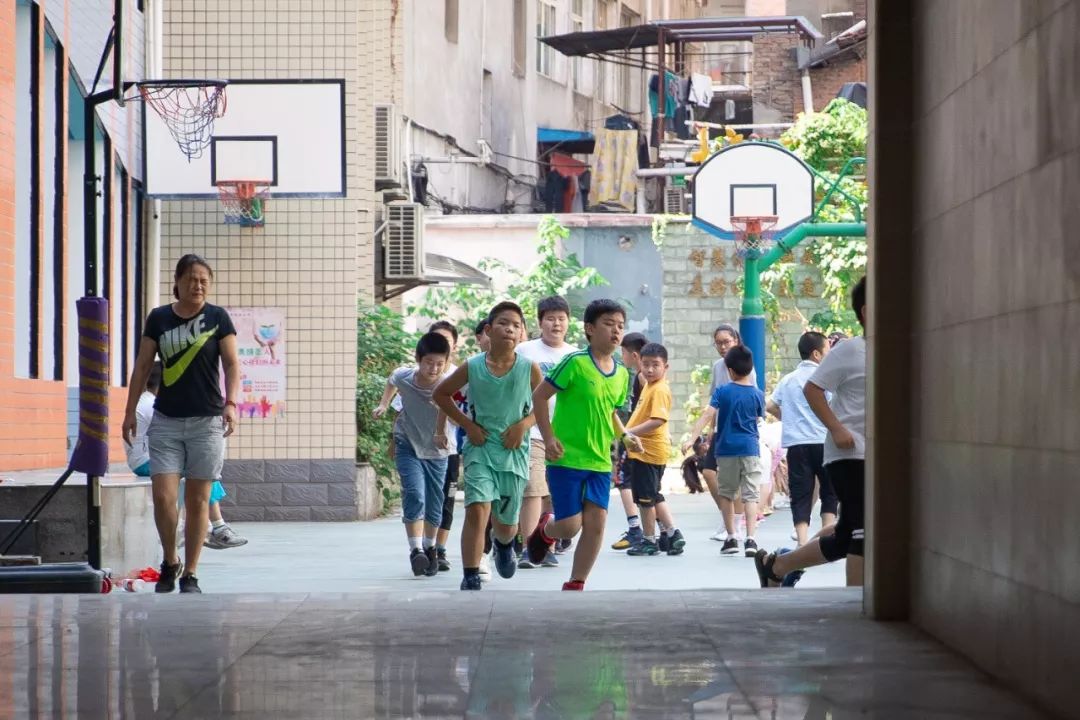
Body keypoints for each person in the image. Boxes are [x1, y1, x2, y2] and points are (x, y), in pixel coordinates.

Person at [123, 254, 240, 594]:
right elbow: (143, 366)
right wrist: (129, 412)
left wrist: (230, 403)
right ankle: (170, 560)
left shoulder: (218, 318)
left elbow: (232, 365)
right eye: (191, 278)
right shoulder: (159, 319)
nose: (198, 285)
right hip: (166, 422)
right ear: (176, 282)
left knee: (199, 500)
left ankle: (190, 572)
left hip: (206, 422)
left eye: (204, 279)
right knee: (163, 497)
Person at [756, 277, 867, 588]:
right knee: (862, 532)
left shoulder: (896, 352)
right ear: (868, 311)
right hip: (849, 452)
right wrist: (837, 428)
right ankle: (857, 605)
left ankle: (778, 566)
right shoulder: (850, 350)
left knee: (846, 532)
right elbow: (813, 389)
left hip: (877, 454)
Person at [525, 299, 643, 591]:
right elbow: (540, 397)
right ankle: (545, 530)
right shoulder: (574, 363)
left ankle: (576, 582)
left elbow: (611, 412)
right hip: (566, 458)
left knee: (597, 523)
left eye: (620, 326)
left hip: (600, 461)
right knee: (570, 526)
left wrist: (625, 435)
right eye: (608, 324)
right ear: (589, 329)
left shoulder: (621, 374)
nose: (616, 332)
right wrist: (549, 437)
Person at [433, 302, 542, 591]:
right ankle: (470, 574)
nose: (510, 328)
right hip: (479, 448)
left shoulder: (529, 368)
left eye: (516, 325)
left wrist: (523, 426)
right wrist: (468, 425)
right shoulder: (473, 366)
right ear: (489, 330)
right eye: (503, 323)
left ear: (521, 334)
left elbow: (543, 405)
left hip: (513, 452)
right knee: (477, 509)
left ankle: (504, 543)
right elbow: (441, 394)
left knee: (506, 522)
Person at [126, 362, 247, 550]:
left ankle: (209, 528)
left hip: (146, 458)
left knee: (199, 469)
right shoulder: (152, 405)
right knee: (199, 471)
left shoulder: (147, 401)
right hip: (145, 462)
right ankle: (217, 527)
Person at [374, 332, 452, 577]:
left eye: (440, 364)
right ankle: (415, 550)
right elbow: (392, 380)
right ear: (418, 359)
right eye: (429, 362)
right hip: (407, 442)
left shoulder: (447, 384)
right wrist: (384, 404)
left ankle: (430, 549)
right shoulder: (405, 376)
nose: (434, 368)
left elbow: (451, 410)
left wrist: (443, 432)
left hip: (437, 449)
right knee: (415, 493)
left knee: (435, 501)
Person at [513, 296, 577, 570]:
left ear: (569, 322)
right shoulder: (525, 351)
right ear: (540, 322)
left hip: (565, 435)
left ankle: (545, 545)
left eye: (561, 318)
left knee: (554, 493)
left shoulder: (575, 356)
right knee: (532, 488)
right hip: (534, 431)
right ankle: (528, 547)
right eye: (550, 318)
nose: (556, 323)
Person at [684, 344, 765, 558]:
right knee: (750, 496)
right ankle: (751, 539)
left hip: (726, 450)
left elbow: (707, 415)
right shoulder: (758, 395)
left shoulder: (722, 391)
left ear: (729, 370)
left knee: (727, 494)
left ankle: (731, 537)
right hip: (750, 449)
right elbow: (758, 419)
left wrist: (692, 438)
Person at [766, 331, 838, 546]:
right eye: (827, 349)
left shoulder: (788, 380)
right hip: (824, 442)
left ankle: (802, 541)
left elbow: (770, 406)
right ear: (816, 354)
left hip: (797, 445)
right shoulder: (827, 378)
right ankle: (826, 539)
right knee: (829, 491)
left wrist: (787, 417)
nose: (830, 354)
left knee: (801, 494)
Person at [696, 324, 757, 542]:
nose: (722, 347)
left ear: (736, 341)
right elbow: (714, 403)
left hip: (741, 432)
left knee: (741, 481)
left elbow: (754, 403)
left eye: (726, 342)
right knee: (709, 471)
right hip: (721, 431)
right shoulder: (717, 367)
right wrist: (711, 431)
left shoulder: (746, 367)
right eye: (718, 343)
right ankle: (728, 518)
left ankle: (734, 524)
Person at [623, 343, 685, 556]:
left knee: (646, 501)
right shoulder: (650, 384)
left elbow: (657, 420)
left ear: (665, 367)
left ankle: (649, 540)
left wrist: (628, 432)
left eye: (655, 365)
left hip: (649, 452)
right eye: (646, 364)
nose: (650, 369)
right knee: (652, 495)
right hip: (643, 451)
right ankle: (672, 533)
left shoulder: (659, 389)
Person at [429, 320, 461, 572]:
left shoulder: (461, 376)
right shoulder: (419, 373)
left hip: (450, 449)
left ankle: (440, 548)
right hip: (422, 451)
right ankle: (426, 547)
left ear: (455, 346)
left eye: (446, 341)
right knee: (427, 500)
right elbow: (402, 411)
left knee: (446, 500)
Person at [610, 332, 648, 551]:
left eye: (622, 353)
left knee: (624, 481)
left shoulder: (642, 377)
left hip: (635, 436)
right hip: (640, 435)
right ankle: (664, 531)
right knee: (647, 486)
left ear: (633, 354)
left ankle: (635, 529)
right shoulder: (644, 375)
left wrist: (628, 432)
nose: (621, 357)